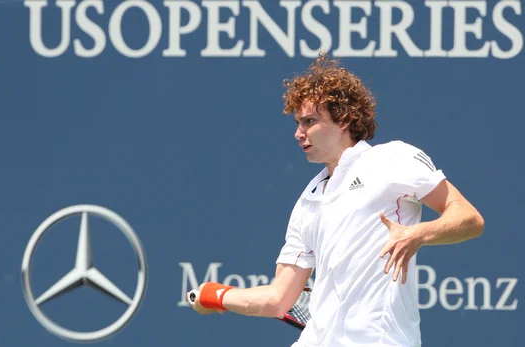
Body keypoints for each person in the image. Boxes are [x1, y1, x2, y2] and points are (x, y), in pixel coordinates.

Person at [186, 55, 485, 347]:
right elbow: (277, 300)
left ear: (344, 119)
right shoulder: (308, 200)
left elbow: (468, 218)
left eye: (309, 122)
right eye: (297, 122)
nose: (298, 133)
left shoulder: (392, 159)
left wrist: (417, 234)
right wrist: (217, 295)